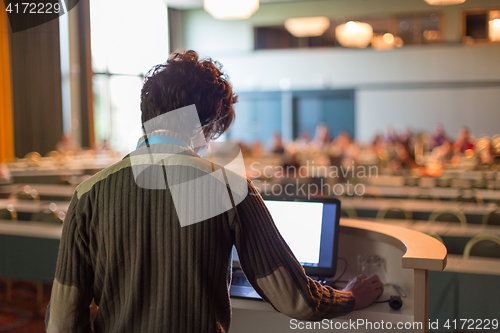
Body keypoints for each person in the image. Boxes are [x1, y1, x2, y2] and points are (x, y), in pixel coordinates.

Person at [45, 50, 383, 333]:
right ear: (206, 123)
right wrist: (350, 297)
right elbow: (296, 299)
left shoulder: (88, 195)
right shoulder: (229, 187)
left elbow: (61, 321)